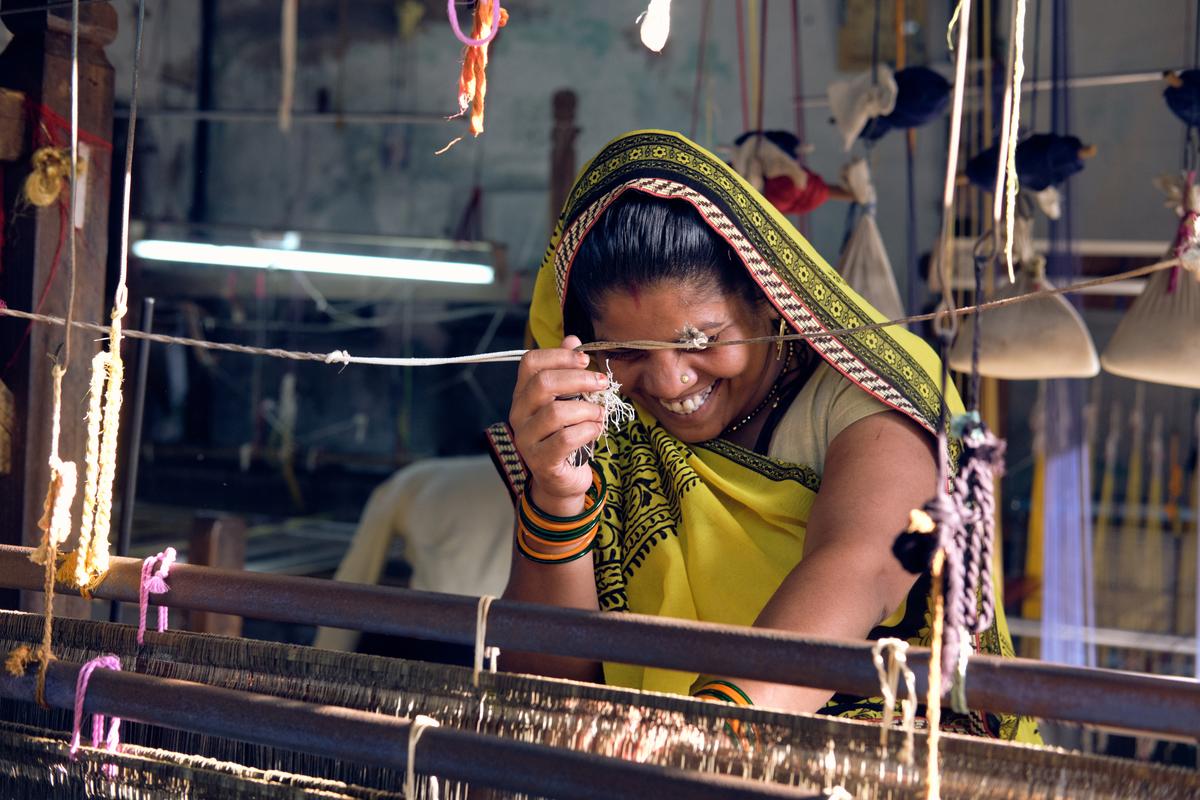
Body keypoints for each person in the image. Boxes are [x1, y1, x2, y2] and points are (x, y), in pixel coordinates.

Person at [487, 130, 1037, 741]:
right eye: (627, 351)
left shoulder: (865, 386)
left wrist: (708, 738)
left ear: (768, 299)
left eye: (701, 340)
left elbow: (861, 566)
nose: (670, 381)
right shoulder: (600, 425)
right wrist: (557, 498)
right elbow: (546, 693)